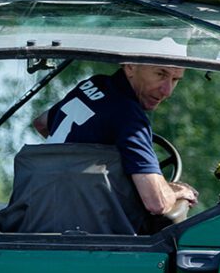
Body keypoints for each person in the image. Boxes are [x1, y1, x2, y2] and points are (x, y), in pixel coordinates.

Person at [33, 64, 199, 220]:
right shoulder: (129, 116)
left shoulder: (93, 84)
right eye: (160, 74)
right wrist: (176, 191)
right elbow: (156, 203)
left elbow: (42, 123)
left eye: (175, 80)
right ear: (130, 66)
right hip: (82, 226)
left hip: (37, 209)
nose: (167, 91)